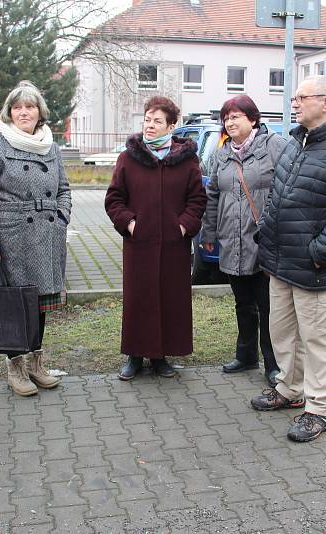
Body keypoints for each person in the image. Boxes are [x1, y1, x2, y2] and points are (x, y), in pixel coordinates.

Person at [250, 75, 326, 442]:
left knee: (319, 340)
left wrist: (321, 253)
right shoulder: (295, 143)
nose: (295, 103)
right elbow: (277, 195)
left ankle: (319, 409)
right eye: (295, 97)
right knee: (283, 333)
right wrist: (265, 235)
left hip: (318, 267)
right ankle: (289, 389)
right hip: (280, 260)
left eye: (303, 97)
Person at [0, 81, 71, 397]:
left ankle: (36, 363)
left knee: (39, 303)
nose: (24, 112)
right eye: (18, 107)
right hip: (11, 236)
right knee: (14, 305)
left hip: (46, 234)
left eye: (29, 106)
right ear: (10, 112)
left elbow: (64, 190)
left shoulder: (51, 147)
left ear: (39, 112)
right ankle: (15, 365)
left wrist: (61, 217)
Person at [105, 96, 206, 380]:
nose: (150, 125)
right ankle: (135, 356)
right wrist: (131, 224)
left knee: (169, 300)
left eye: (157, 121)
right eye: (147, 120)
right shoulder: (128, 158)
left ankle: (161, 357)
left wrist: (183, 227)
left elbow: (197, 200)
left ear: (171, 126)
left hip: (174, 246)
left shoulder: (186, 161)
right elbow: (114, 200)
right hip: (139, 245)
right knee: (139, 300)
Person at [200, 95, 286, 387]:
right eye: (226, 117)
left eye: (236, 116)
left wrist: (275, 227)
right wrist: (209, 233)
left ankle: (273, 364)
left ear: (253, 119)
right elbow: (212, 196)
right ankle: (246, 355)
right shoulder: (221, 153)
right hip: (231, 239)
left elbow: (287, 189)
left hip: (265, 240)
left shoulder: (274, 146)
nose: (230, 122)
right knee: (243, 303)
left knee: (268, 305)